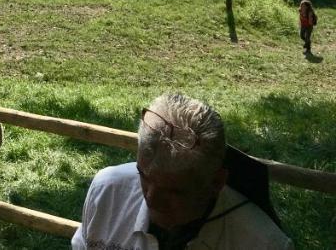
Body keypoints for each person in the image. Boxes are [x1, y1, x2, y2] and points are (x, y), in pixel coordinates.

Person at [72, 92, 293, 250]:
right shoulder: (108, 190)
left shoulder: (263, 243)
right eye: (144, 177)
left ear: (216, 182)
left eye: (174, 191)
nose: (152, 199)